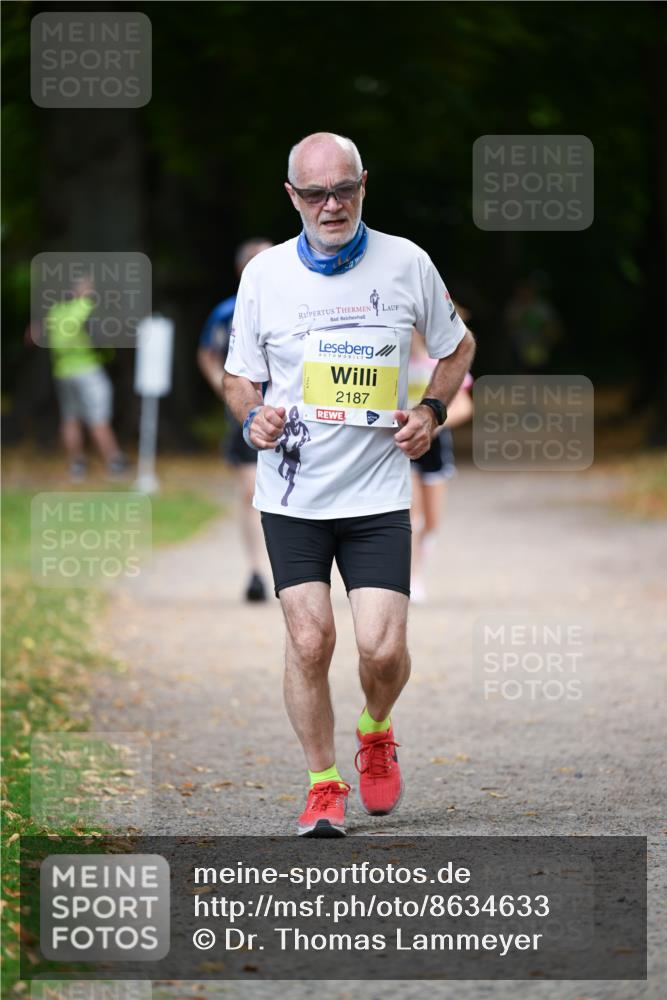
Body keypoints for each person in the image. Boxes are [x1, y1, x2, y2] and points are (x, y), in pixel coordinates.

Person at [223, 132, 475, 837]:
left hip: (375, 495)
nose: (331, 206)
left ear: (365, 182)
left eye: (344, 189)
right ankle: (322, 783)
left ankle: (375, 727)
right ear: (291, 196)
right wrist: (253, 417)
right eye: (313, 194)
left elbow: (457, 347)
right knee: (309, 641)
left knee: (382, 650)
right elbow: (237, 373)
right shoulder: (265, 276)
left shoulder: (406, 262)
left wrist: (430, 411)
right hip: (293, 493)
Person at [198, 239, 273, 601]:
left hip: (292, 414)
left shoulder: (295, 306)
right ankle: (257, 571)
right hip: (248, 413)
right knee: (250, 490)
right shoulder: (227, 311)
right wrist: (224, 387)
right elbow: (207, 354)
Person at [408, 323, 474, 602]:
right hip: (403, 445)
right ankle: (412, 576)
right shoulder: (393, 363)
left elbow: (463, 407)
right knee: (412, 515)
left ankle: (420, 559)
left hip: (436, 446)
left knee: (432, 522)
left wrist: (432, 424)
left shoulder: (441, 364)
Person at [46, 275, 127, 482]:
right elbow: (103, 337)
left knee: (70, 418)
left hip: (62, 371)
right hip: (87, 368)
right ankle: (114, 460)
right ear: (81, 289)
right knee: (98, 416)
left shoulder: (56, 311)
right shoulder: (86, 307)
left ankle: (76, 464)